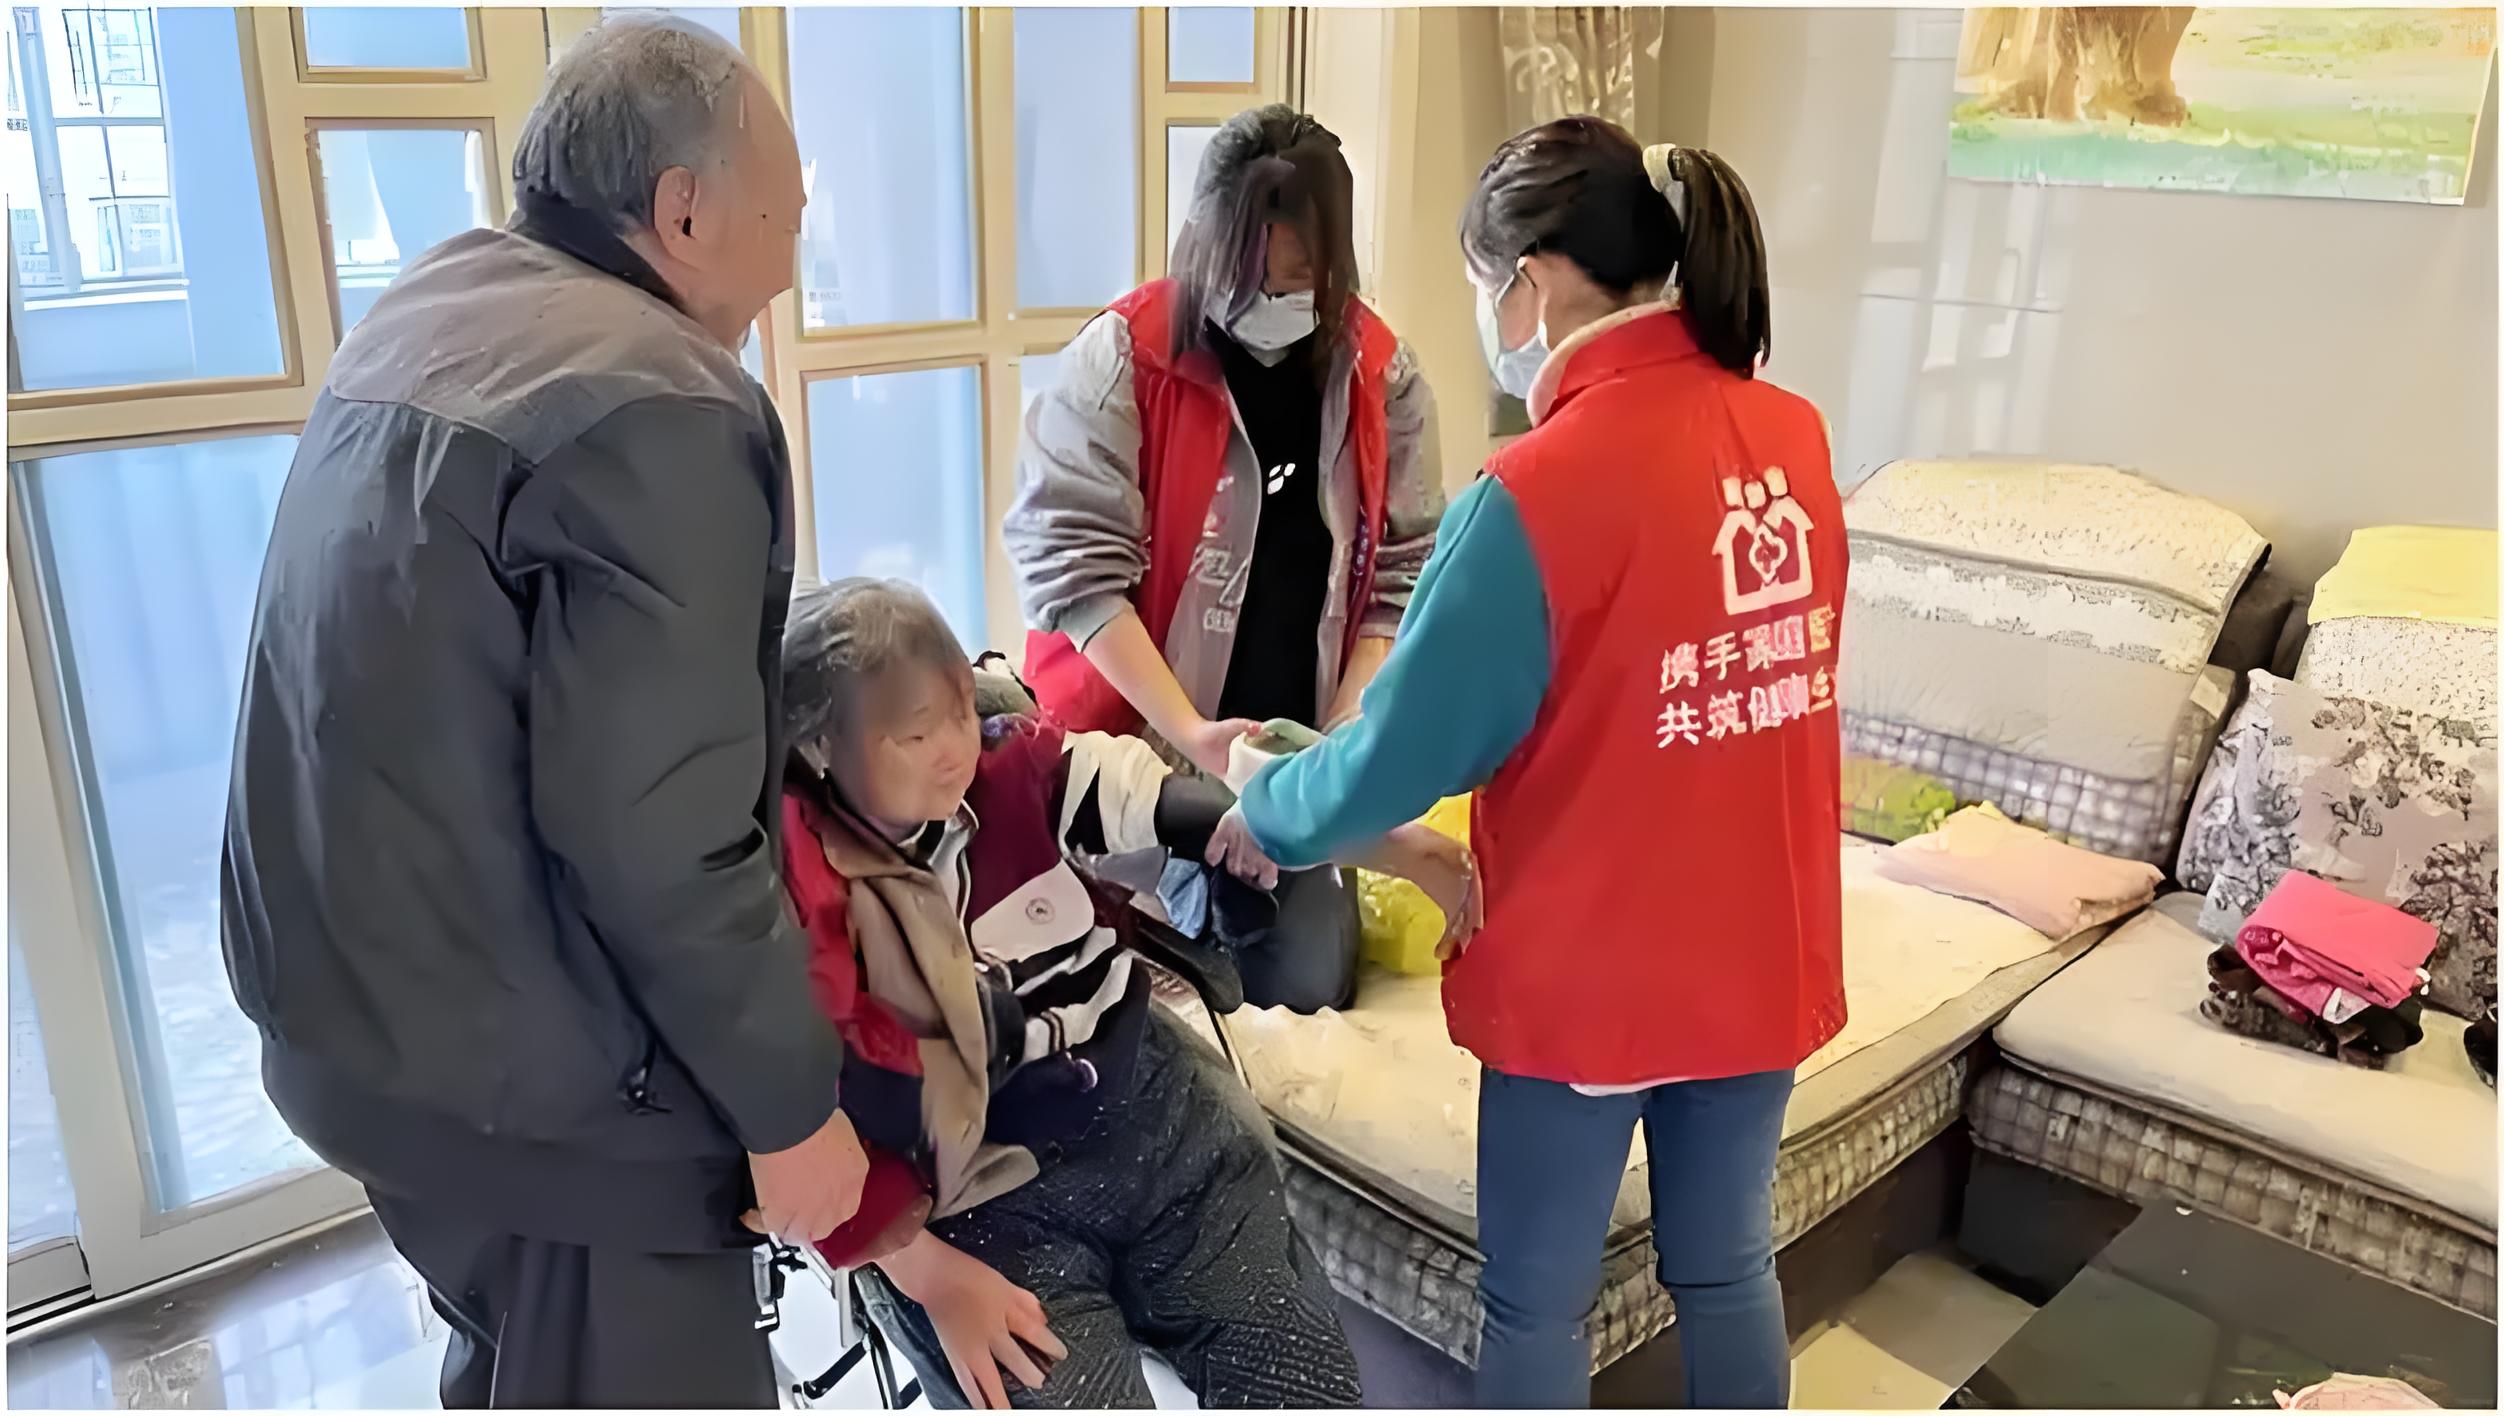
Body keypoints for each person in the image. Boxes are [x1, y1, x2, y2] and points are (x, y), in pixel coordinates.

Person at [221, 18, 863, 1407]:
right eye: (787, 217)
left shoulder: (436, 304)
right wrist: (790, 1108)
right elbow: (659, 828)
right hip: (532, 1093)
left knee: (522, 1358)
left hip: (345, 1026)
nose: (793, 257)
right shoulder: (662, 401)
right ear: (683, 212)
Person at [1229, 118, 1848, 1408]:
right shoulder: (1790, 438)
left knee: (1534, 1305)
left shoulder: (1534, 491)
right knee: (1727, 1271)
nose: (1482, 316)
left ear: (1533, 279)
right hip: (1759, 952)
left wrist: (1263, 795)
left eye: (1480, 283)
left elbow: (1389, 760)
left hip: (1594, 976)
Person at [775, 578, 1470, 1409]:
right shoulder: (788, 913)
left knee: (1303, 1382)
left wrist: (1223, 826)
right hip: (974, 1206)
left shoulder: (1008, 773)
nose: (955, 747)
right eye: (917, 733)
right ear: (818, 747)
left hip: (1152, 1122)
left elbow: (1131, 788)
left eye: (961, 710)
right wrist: (930, 1278)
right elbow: (801, 1136)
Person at [1004, 103, 1446, 1014]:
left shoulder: (1381, 378)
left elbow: (1401, 580)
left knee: (1307, 988)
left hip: (1285, 755)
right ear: (1204, 243)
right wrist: (1189, 739)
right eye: (1250, 271)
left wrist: (1327, 756)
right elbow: (1075, 575)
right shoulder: (1124, 360)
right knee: (1097, 987)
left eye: (1299, 275)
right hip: (1132, 734)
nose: (1273, 296)